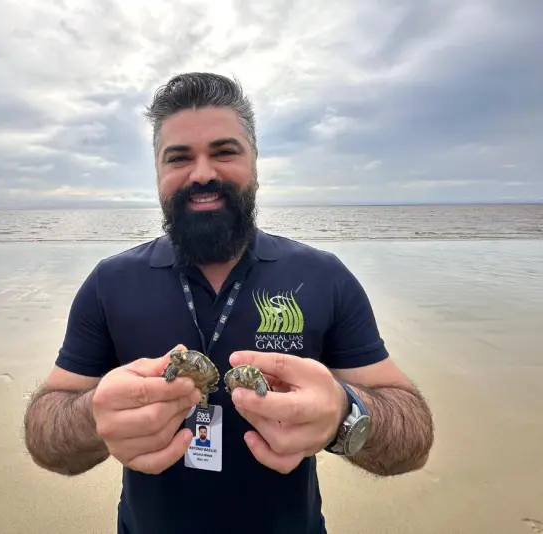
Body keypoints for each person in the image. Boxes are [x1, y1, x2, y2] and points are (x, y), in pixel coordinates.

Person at [23, 72, 435, 534]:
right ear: (158, 173)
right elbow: (45, 435)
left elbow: (414, 439)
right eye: (179, 158)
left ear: (255, 163)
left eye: (224, 151)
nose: (202, 173)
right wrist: (91, 415)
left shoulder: (322, 276)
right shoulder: (110, 282)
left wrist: (344, 412)